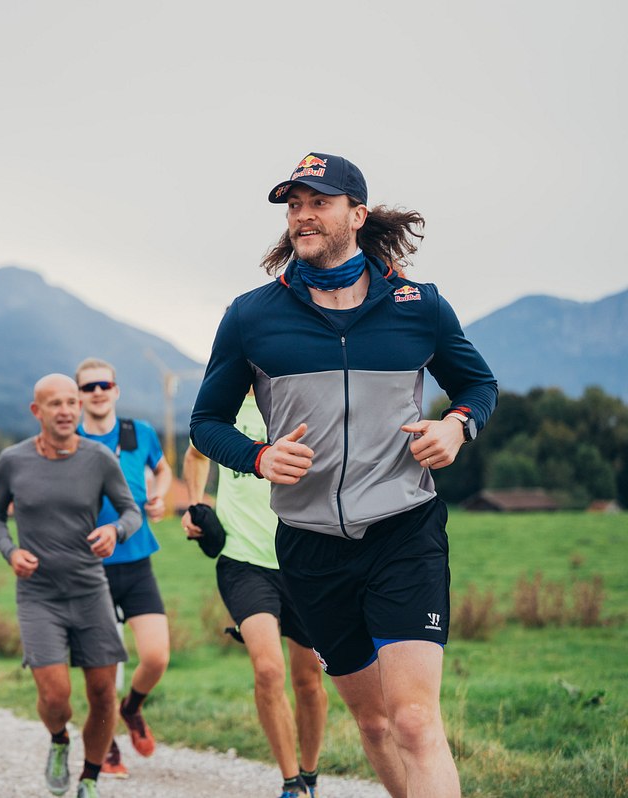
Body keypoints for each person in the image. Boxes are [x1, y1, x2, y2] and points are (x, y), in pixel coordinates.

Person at [190, 152, 497, 798]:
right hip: (309, 547)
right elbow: (206, 422)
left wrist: (456, 426)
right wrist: (258, 457)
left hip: (403, 532)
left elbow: (476, 383)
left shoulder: (420, 307)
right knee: (376, 721)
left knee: (415, 721)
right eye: (293, 205)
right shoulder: (252, 317)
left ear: (356, 215)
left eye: (317, 202)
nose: (301, 215)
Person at [0, 374, 143, 798]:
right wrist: (11, 552)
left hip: (90, 589)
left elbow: (132, 512)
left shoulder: (98, 458)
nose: (66, 410)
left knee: (103, 695)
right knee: (55, 697)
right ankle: (58, 741)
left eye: (71, 402)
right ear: (37, 411)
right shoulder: (13, 461)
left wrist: (115, 532)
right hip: (39, 593)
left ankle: (89, 777)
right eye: (55, 403)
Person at [182, 392, 327, 798]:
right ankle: (290, 784)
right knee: (268, 670)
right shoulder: (222, 408)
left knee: (309, 680)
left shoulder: (302, 400)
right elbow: (195, 455)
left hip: (305, 563)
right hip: (242, 561)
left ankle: (310, 775)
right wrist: (195, 505)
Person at [73, 357, 173, 779]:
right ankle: (106, 745)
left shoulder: (139, 433)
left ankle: (132, 708)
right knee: (102, 672)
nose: (97, 392)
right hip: (87, 569)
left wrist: (160, 496)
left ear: (116, 390)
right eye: (88, 387)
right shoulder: (68, 438)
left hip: (136, 563)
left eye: (104, 385)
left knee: (156, 657)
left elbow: (163, 470)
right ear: (78, 396)